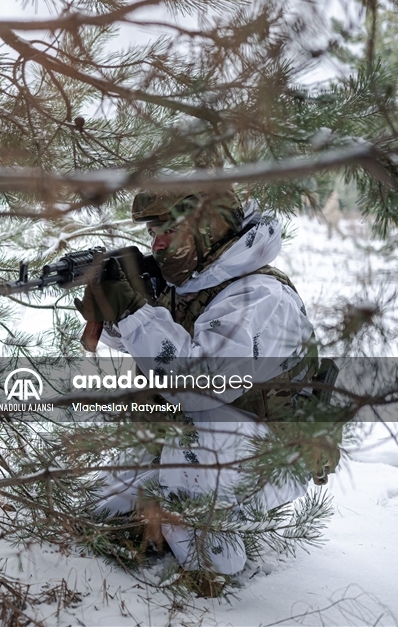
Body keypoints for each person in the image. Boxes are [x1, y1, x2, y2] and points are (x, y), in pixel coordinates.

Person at [78, 190, 323, 581]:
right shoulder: (193, 281)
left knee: (189, 454)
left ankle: (215, 562)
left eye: (170, 231)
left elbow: (201, 384)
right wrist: (115, 314)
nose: (157, 243)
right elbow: (150, 350)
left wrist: (134, 312)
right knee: (104, 509)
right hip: (207, 435)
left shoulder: (261, 297)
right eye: (153, 230)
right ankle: (164, 516)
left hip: (271, 453)